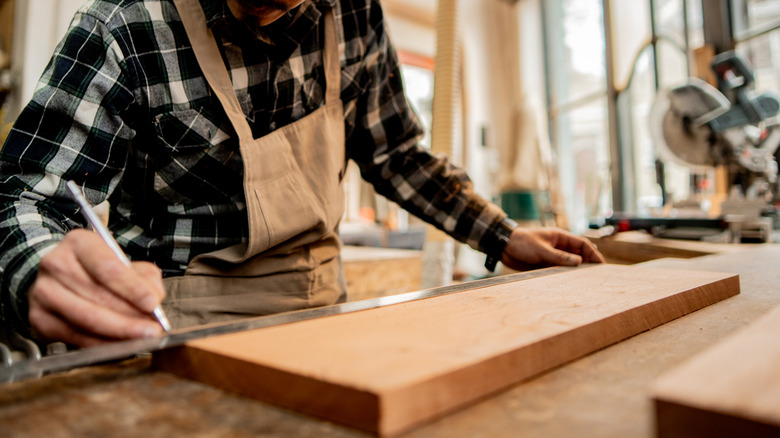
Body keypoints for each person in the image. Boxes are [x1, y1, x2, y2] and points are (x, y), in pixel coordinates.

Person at [0, 0, 604, 347]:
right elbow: (23, 197)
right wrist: (35, 268)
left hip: (321, 312)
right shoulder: (125, 27)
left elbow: (396, 152)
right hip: (177, 327)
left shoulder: (355, 13)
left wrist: (500, 235)